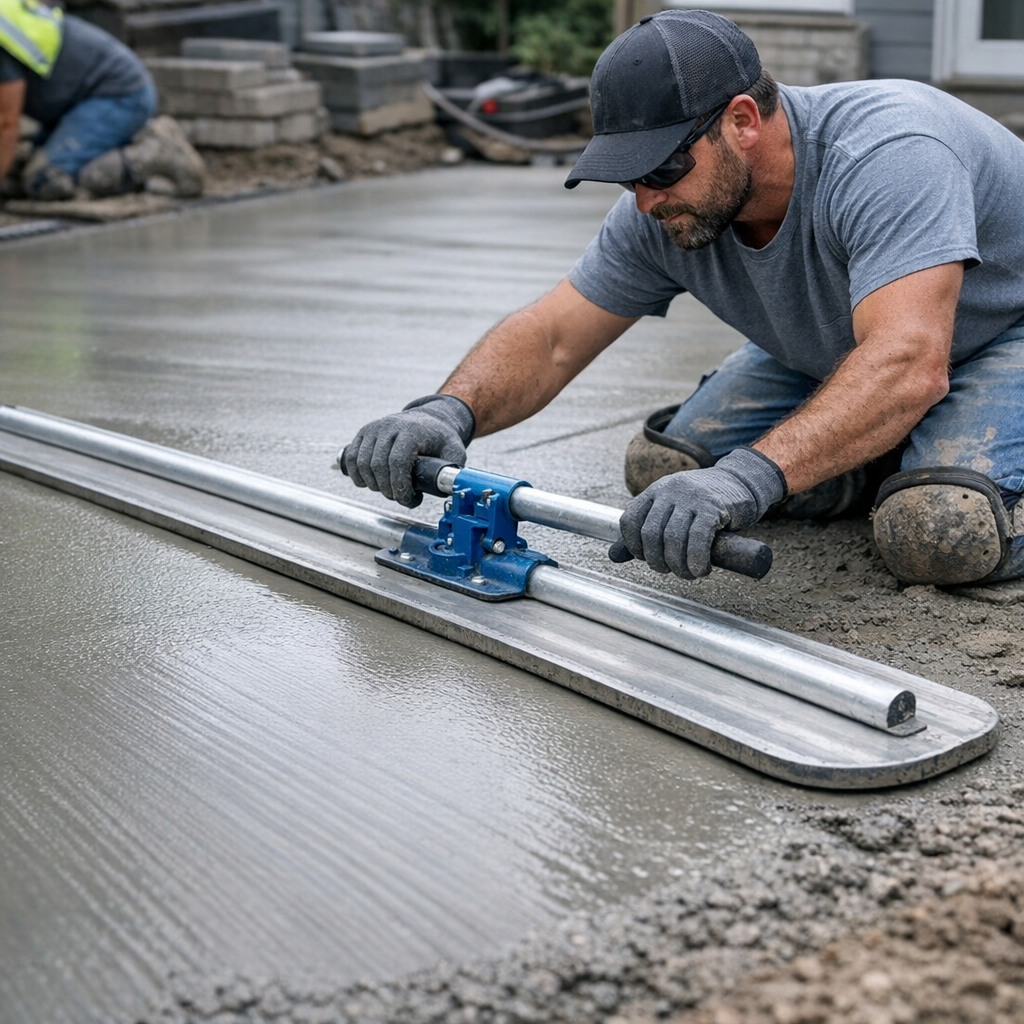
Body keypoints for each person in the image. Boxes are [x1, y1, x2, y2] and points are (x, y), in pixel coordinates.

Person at [341, 9, 1024, 589]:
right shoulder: (665, 207)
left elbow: (908, 361)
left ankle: (920, 460)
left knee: (940, 528)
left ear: (743, 120)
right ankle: (886, 446)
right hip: (858, 347)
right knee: (667, 473)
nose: (645, 198)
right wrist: (447, 410)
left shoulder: (890, 154)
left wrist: (749, 478)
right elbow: (552, 336)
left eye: (663, 168)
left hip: (1001, 335)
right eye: (627, 176)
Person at [0, 1, 203, 200]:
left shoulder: (3, 44)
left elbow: (7, 123)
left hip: (119, 96)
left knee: (43, 180)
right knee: (17, 175)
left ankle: (153, 154)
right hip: (74, 102)